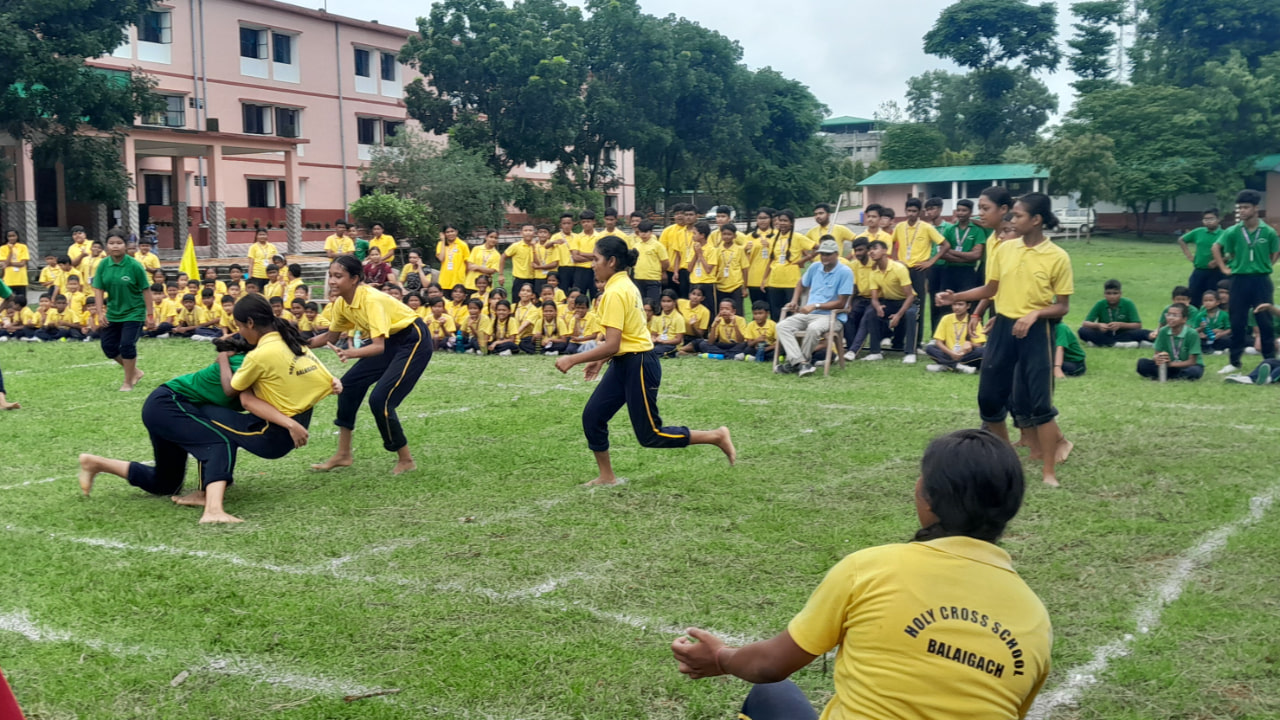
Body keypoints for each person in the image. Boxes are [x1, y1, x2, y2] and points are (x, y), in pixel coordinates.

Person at [671, 429, 1051, 720]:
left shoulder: (870, 569)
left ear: (924, 493)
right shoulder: (1035, 619)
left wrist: (720, 657)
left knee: (770, 696)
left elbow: (768, 666)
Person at [78, 296, 339, 524]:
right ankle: (212, 508)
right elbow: (236, 394)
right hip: (168, 404)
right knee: (220, 437)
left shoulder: (268, 355)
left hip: (174, 406)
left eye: (236, 326)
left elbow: (300, 372)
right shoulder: (249, 362)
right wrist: (225, 358)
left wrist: (330, 383)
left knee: (165, 483)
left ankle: (96, 463)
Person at [553, 236, 735, 486]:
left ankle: (716, 436)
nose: (592, 264)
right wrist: (601, 359)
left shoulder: (616, 291)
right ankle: (607, 476)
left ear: (612, 261)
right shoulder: (623, 284)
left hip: (638, 364)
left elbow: (614, 342)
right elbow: (627, 336)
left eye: (596, 259)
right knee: (593, 416)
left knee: (650, 435)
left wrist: (573, 358)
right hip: (624, 362)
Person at [938, 193, 1074, 487]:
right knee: (988, 397)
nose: (1012, 220)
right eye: (1011, 215)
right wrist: (956, 296)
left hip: (1037, 331)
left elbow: (1062, 306)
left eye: (1018, 215)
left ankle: (1048, 471)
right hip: (1004, 329)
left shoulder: (1058, 256)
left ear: (1036, 220)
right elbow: (990, 289)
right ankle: (1007, 464)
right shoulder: (1003, 248)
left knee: (1040, 404)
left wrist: (1036, 314)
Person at [309, 255, 432, 476]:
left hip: (413, 338)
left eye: (338, 276)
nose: (332, 281)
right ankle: (343, 454)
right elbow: (330, 336)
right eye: (331, 276)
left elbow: (378, 347)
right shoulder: (341, 304)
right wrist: (295, 344)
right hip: (390, 341)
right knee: (348, 386)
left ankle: (406, 459)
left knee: (381, 400)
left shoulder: (371, 300)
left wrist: (350, 352)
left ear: (355, 278)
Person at [1212, 189, 1279, 375]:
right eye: (1239, 207)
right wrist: (1224, 269)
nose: (1242, 211)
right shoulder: (1233, 231)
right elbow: (1216, 247)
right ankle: (1234, 361)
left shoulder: (1268, 231)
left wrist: (1265, 265)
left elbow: (1275, 252)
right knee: (1237, 320)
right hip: (1239, 280)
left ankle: (1270, 359)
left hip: (1261, 280)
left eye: (1246, 207)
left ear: (1256, 208)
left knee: (1265, 321)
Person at [774, 238, 854, 376]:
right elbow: (800, 283)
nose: (824, 257)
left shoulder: (845, 272)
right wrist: (794, 300)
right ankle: (801, 363)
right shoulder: (815, 267)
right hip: (809, 314)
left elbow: (841, 303)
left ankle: (799, 363)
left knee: (813, 328)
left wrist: (815, 305)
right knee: (782, 326)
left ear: (836, 254)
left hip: (832, 316)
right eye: (822, 254)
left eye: (828, 254)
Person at [92, 230, 155, 391]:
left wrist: (150, 314)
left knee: (127, 346)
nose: (115, 246)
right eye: (111, 243)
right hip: (113, 313)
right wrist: (100, 312)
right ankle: (135, 372)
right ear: (106, 246)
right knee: (109, 347)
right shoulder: (103, 265)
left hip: (134, 312)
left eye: (119, 243)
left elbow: (146, 290)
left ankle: (128, 382)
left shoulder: (134, 265)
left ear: (126, 246)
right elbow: (98, 289)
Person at [892, 197, 949, 346]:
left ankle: (916, 342)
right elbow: (891, 243)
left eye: (914, 211)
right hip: (902, 269)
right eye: (909, 211)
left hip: (919, 269)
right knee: (900, 302)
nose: (911, 214)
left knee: (918, 304)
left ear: (919, 212)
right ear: (905, 211)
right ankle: (897, 341)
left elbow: (945, 245)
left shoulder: (926, 227)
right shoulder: (899, 227)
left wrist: (930, 261)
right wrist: (894, 260)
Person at [856, 240, 919, 364]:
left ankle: (910, 352)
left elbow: (910, 296)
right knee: (871, 312)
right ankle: (875, 352)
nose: (871, 252)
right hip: (890, 301)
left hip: (907, 301)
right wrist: (878, 307)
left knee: (910, 314)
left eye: (875, 248)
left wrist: (898, 315)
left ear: (885, 251)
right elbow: (874, 298)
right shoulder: (874, 272)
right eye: (870, 250)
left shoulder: (898, 268)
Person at [933, 199, 988, 321]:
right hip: (949, 271)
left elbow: (976, 255)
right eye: (958, 210)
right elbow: (941, 252)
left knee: (967, 303)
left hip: (968, 272)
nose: (961, 213)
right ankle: (945, 335)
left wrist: (951, 252)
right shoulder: (950, 229)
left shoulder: (977, 230)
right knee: (945, 302)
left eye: (964, 210)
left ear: (970, 212)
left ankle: (968, 335)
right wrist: (965, 256)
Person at [761, 210, 816, 321]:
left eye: (785, 221)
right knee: (776, 313)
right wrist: (764, 279)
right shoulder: (773, 239)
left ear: (791, 223)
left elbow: (818, 247)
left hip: (792, 282)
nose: (782, 223)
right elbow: (771, 260)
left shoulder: (798, 237)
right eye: (780, 220)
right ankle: (777, 337)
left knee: (792, 312)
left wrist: (805, 259)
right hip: (774, 281)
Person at [1137, 303, 1204, 381]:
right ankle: (1174, 376)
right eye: (1169, 315)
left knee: (1194, 372)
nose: (1171, 318)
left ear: (1184, 319)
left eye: (1175, 315)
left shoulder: (1192, 333)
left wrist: (1170, 364)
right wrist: (1158, 359)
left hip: (1187, 366)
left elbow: (1192, 361)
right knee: (1142, 363)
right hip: (1168, 365)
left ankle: (1166, 375)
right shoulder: (1163, 331)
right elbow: (1156, 354)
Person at [1078, 279, 1151, 348]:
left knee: (1145, 333)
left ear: (1120, 294)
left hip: (1124, 333)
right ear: (1104, 294)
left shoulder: (1128, 303)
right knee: (1082, 331)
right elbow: (1085, 323)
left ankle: (1100, 343)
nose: (1112, 296)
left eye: (1115, 293)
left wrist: (1120, 325)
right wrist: (1098, 325)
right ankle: (1115, 344)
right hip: (1105, 333)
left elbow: (1138, 325)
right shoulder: (1100, 304)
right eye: (1108, 293)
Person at [925, 298, 985, 374]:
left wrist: (970, 344)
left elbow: (979, 344)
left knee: (982, 351)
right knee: (930, 348)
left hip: (965, 354)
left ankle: (945, 365)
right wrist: (951, 353)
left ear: (968, 306)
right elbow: (938, 342)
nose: (957, 307)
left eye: (960, 304)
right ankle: (957, 366)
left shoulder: (972, 320)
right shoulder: (946, 318)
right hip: (948, 352)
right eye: (954, 304)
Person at [1178, 209, 1223, 307]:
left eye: (1211, 218)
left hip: (1216, 272)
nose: (1208, 221)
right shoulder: (1199, 231)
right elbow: (1182, 240)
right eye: (1205, 219)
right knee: (1194, 298)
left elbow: (1231, 252)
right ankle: (1197, 320)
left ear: (1218, 219)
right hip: (1199, 271)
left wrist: (1218, 261)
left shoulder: (1224, 234)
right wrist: (1189, 255)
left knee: (1213, 299)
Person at [631, 220, 669, 308]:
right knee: (640, 305)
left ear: (651, 232)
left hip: (653, 279)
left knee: (653, 305)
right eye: (641, 232)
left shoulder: (658, 246)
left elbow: (665, 262)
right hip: (638, 278)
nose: (643, 234)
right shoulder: (636, 246)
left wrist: (660, 271)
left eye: (646, 232)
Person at [713, 223, 749, 314]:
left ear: (734, 236)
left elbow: (744, 268)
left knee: (738, 312)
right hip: (720, 285)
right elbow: (714, 268)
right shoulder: (717, 250)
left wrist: (744, 287)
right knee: (722, 312)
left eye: (729, 234)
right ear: (721, 235)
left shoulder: (739, 250)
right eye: (724, 234)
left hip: (736, 285)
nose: (726, 237)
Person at [744, 208, 776, 307]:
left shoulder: (777, 234)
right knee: (757, 308)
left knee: (773, 308)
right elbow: (744, 258)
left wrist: (769, 246)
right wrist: (745, 250)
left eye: (765, 218)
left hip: (772, 278)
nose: (762, 221)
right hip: (754, 278)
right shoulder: (750, 236)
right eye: (760, 218)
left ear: (771, 219)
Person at [505, 224, 540, 295]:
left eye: (530, 230)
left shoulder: (538, 246)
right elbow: (503, 257)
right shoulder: (516, 246)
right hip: (519, 278)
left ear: (534, 233)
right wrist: (501, 274)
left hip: (534, 278)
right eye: (525, 230)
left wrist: (533, 247)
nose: (528, 232)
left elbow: (538, 263)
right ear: (521, 233)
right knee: (517, 301)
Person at [465, 230, 503, 294]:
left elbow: (492, 270)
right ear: (486, 237)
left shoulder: (497, 255)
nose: (493, 239)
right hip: (471, 283)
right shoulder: (476, 249)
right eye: (491, 237)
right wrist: (485, 270)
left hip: (486, 285)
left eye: (496, 238)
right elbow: (470, 266)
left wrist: (477, 267)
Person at [650, 292, 686, 357]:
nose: (665, 304)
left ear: (674, 302)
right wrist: (654, 339)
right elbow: (653, 335)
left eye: (669, 301)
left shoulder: (679, 318)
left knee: (654, 351)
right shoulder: (657, 316)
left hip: (672, 344)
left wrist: (664, 342)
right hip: (659, 342)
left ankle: (675, 353)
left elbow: (678, 340)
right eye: (663, 301)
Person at [436, 225, 470, 292]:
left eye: (452, 231)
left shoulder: (462, 245)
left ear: (456, 232)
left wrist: (465, 276)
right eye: (447, 232)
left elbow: (468, 263)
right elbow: (441, 259)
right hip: (445, 280)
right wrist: (443, 240)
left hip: (458, 279)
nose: (450, 234)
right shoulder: (441, 244)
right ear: (444, 234)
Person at [1195, 289, 1231, 354]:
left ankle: (1215, 349)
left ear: (1217, 302)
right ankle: (1210, 350)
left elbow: (1229, 329)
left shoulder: (1224, 315)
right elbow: (1194, 330)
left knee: (1227, 339)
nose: (1208, 303)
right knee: (1197, 339)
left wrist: (1221, 333)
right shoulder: (1200, 315)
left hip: (1218, 337)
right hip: (1205, 338)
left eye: (1210, 300)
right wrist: (1200, 330)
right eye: (1205, 301)